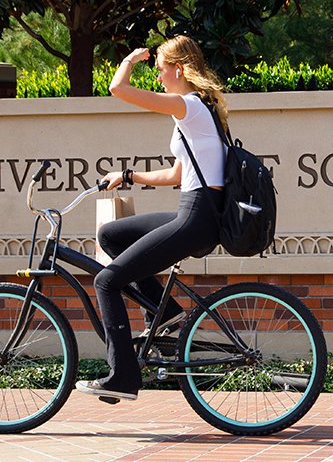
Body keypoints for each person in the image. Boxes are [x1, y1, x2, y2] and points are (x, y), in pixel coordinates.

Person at [75, 36, 229, 401]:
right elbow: (178, 175)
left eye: (160, 69)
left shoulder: (187, 104)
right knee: (112, 235)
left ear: (178, 69)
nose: (158, 77)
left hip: (196, 217)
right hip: (194, 210)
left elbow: (118, 89)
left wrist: (129, 59)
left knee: (107, 283)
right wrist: (129, 176)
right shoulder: (197, 109)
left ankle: (123, 377)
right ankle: (166, 313)